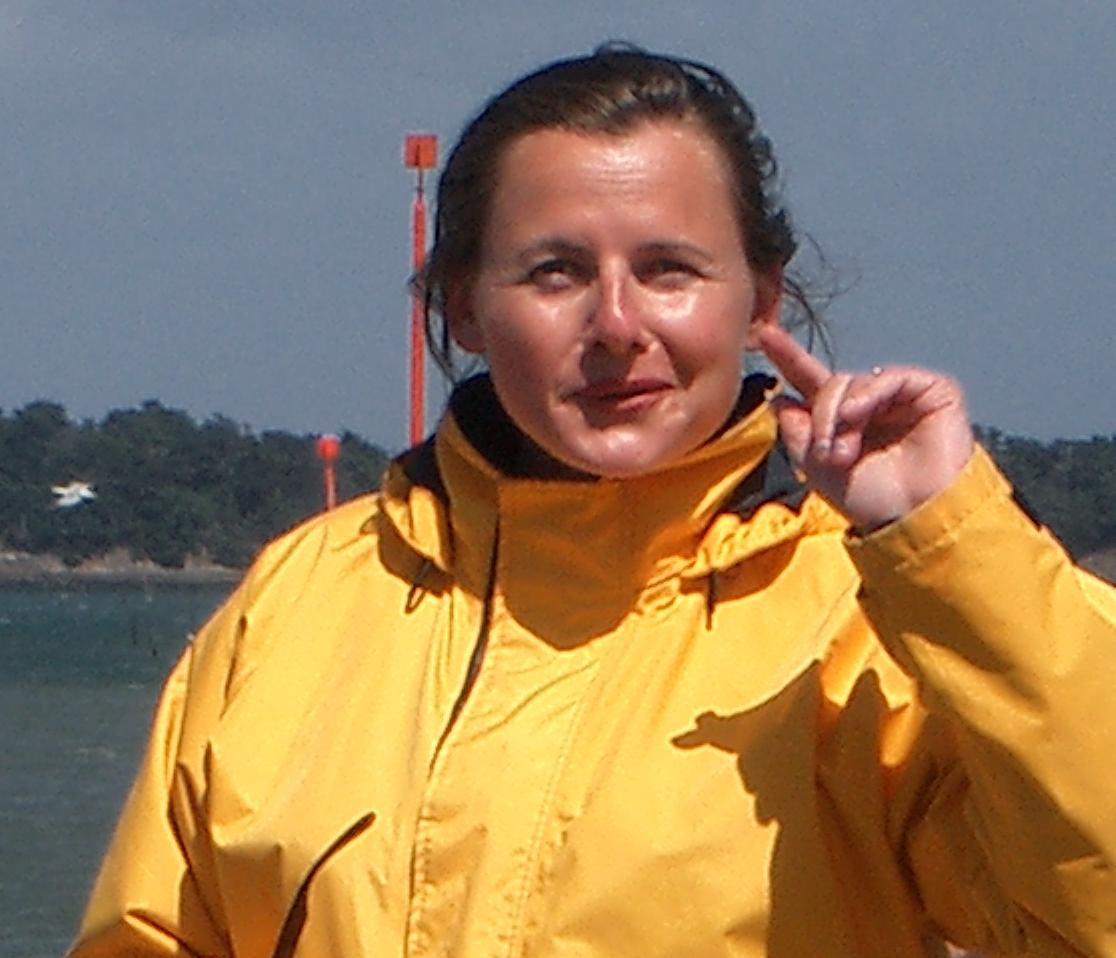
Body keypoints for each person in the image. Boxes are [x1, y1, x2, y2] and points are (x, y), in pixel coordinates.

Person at [69, 45, 1116, 958]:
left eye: (668, 269)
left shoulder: (884, 610)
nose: (616, 323)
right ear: (464, 306)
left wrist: (949, 545)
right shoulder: (295, 604)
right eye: (557, 271)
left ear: (759, 300)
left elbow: (1088, 910)